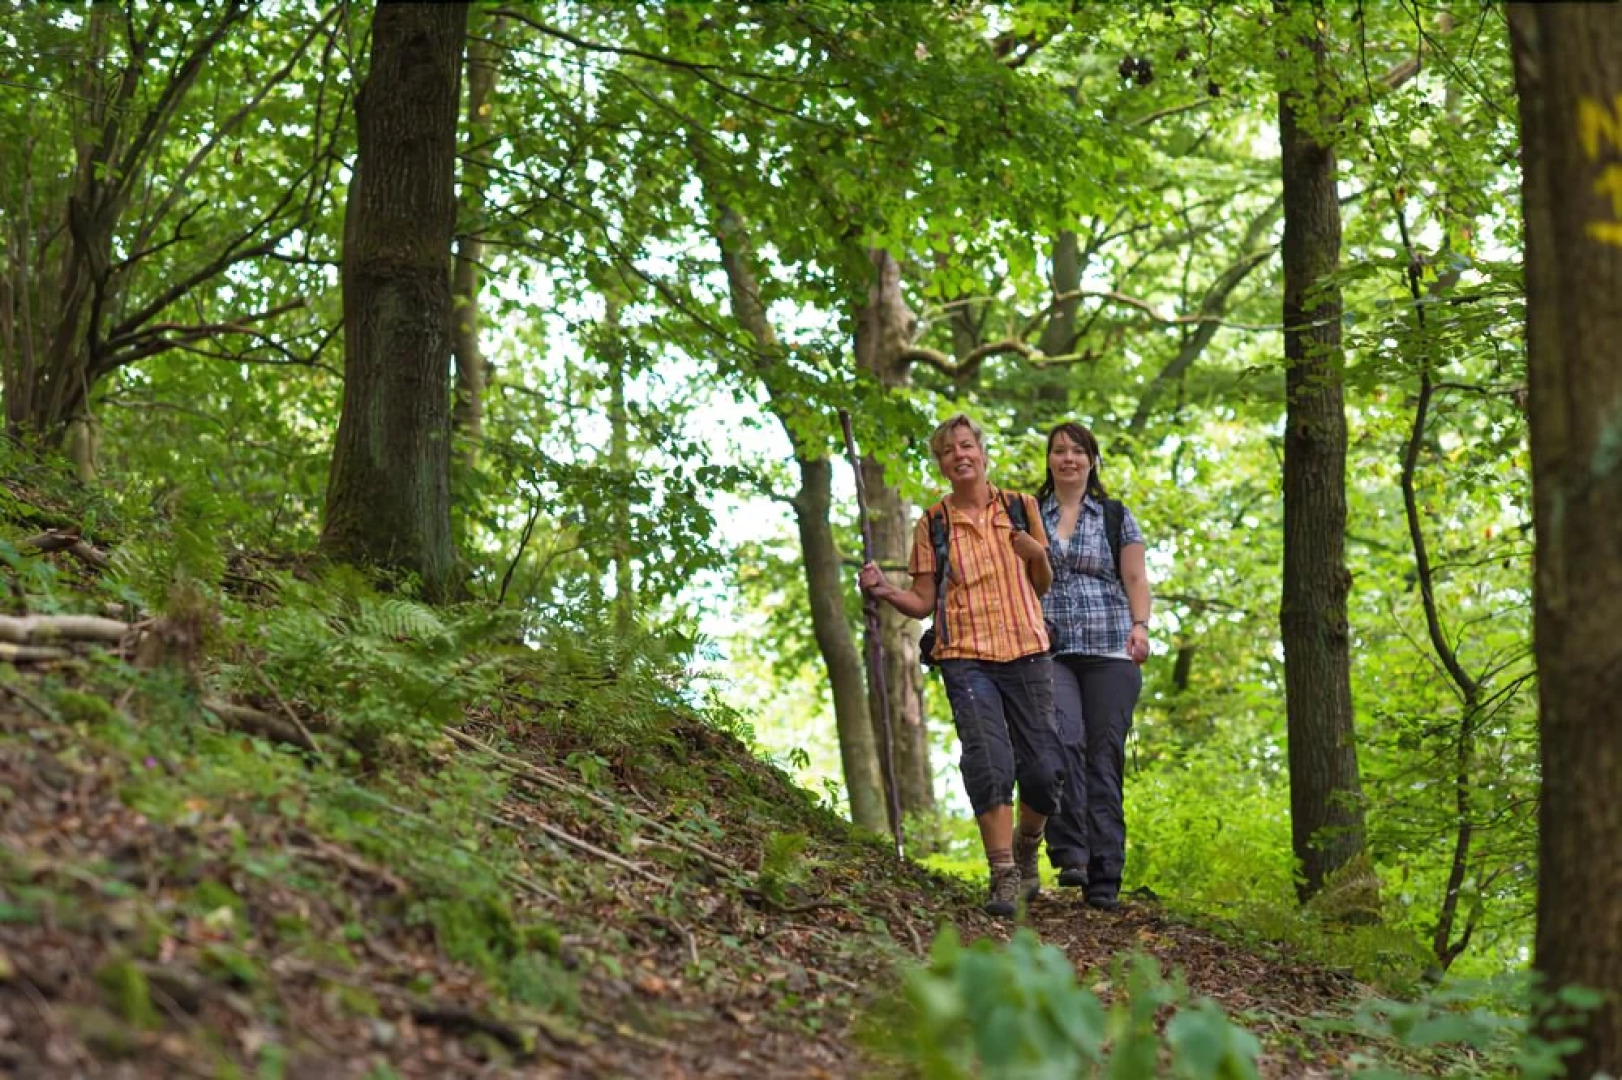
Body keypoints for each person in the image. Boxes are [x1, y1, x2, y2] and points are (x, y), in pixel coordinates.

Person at [858, 414, 1066, 917]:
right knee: (988, 761)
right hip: (965, 657)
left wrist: (1036, 552)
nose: (960, 456)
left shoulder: (1021, 507)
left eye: (967, 445)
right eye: (950, 451)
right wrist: (885, 590)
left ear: (983, 452)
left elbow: (1042, 584)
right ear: (942, 465)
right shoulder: (933, 523)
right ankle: (1003, 874)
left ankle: (1026, 845)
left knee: (1045, 769)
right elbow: (924, 600)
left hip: (1027, 649)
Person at [1036, 421, 1153, 912]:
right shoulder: (1026, 514)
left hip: (1110, 651)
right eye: (1059, 450)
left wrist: (1141, 625)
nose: (1068, 458)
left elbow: (1134, 576)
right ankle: (1071, 854)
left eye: (1077, 451)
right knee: (1062, 741)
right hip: (1050, 649)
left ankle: (1106, 875)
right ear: (1049, 460)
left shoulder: (1114, 515)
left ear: (1091, 460)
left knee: (1103, 757)